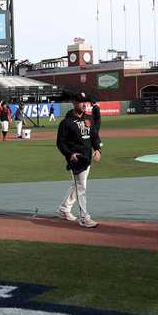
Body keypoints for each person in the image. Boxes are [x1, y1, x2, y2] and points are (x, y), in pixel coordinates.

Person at [56, 93, 102, 228]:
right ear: (74, 103)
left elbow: (94, 136)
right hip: (77, 160)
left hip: (88, 158)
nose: (84, 104)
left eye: (86, 102)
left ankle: (64, 209)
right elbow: (60, 143)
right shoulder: (66, 123)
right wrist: (70, 154)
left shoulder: (89, 118)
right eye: (81, 102)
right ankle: (84, 218)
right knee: (81, 187)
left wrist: (98, 149)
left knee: (78, 185)